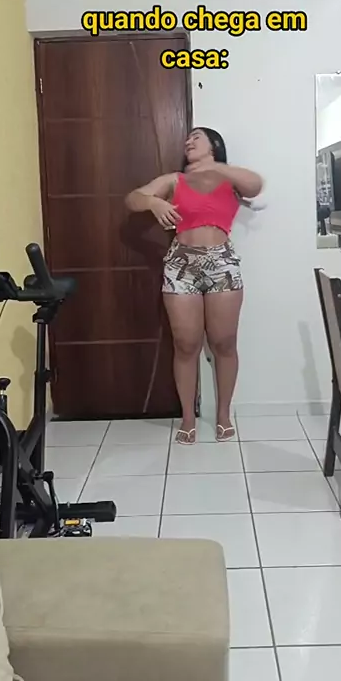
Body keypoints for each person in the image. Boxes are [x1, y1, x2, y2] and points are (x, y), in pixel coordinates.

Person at [125, 127, 263, 444]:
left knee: (224, 342)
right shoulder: (175, 180)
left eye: (196, 137)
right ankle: (188, 418)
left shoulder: (229, 178)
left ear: (214, 145)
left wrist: (217, 168)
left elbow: (255, 186)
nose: (189, 141)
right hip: (180, 263)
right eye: (187, 139)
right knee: (186, 344)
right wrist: (154, 203)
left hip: (221, 261)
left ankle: (223, 414)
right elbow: (133, 199)